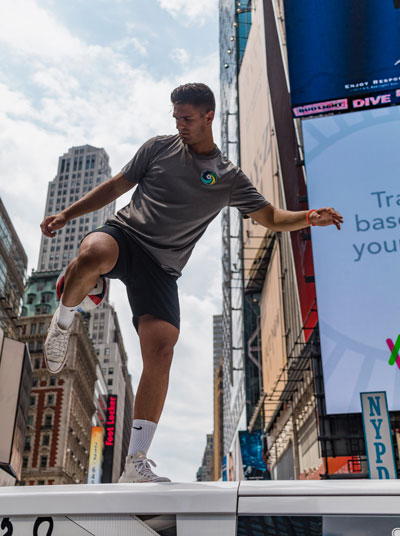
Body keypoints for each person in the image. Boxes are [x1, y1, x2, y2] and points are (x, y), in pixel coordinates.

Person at [40, 83, 343, 483]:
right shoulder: (157, 148)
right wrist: (67, 213)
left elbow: (270, 217)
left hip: (162, 269)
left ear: (208, 116)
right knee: (95, 252)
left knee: (162, 349)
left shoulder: (229, 178)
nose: (178, 124)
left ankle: (135, 463)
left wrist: (308, 217)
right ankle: (63, 321)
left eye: (185, 118)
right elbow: (116, 187)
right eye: (175, 117)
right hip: (125, 236)